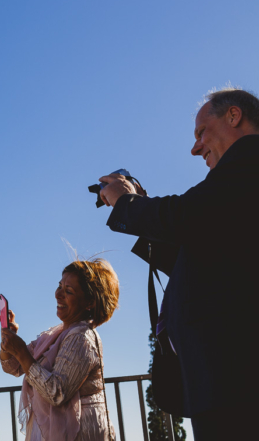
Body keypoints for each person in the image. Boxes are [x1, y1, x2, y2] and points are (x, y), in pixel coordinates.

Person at [98, 87, 259, 440]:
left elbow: (186, 214)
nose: (195, 147)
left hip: (235, 376)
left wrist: (128, 203)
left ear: (234, 116)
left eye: (201, 132)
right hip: (225, 376)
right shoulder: (233, 190)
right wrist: (137, 206)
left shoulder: (250, 159)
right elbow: (200, 249)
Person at [0, 259, 119, 441]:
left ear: (89, 303)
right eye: (59, 286)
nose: (57, 294)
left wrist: (22, 351)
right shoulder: (55, 335)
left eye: (68, 291)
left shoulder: (82, 338)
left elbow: (56, 393)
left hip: (81, 433)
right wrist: (8, 341)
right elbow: (14, 367)